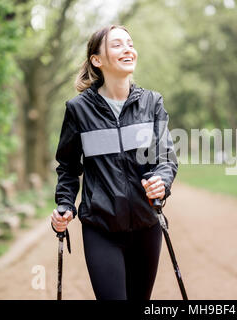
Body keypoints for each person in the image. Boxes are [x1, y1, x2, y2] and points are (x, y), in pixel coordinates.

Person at [50, 25, 178, 300]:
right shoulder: (78, 110)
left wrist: (162, 181)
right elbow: (69, 167)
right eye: (117, 44)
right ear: (97, 60)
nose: (128, 49)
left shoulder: (152, 102)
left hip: (147, 224)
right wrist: (64, 204)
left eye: (130, 43)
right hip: (101, 228)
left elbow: (166, 158)